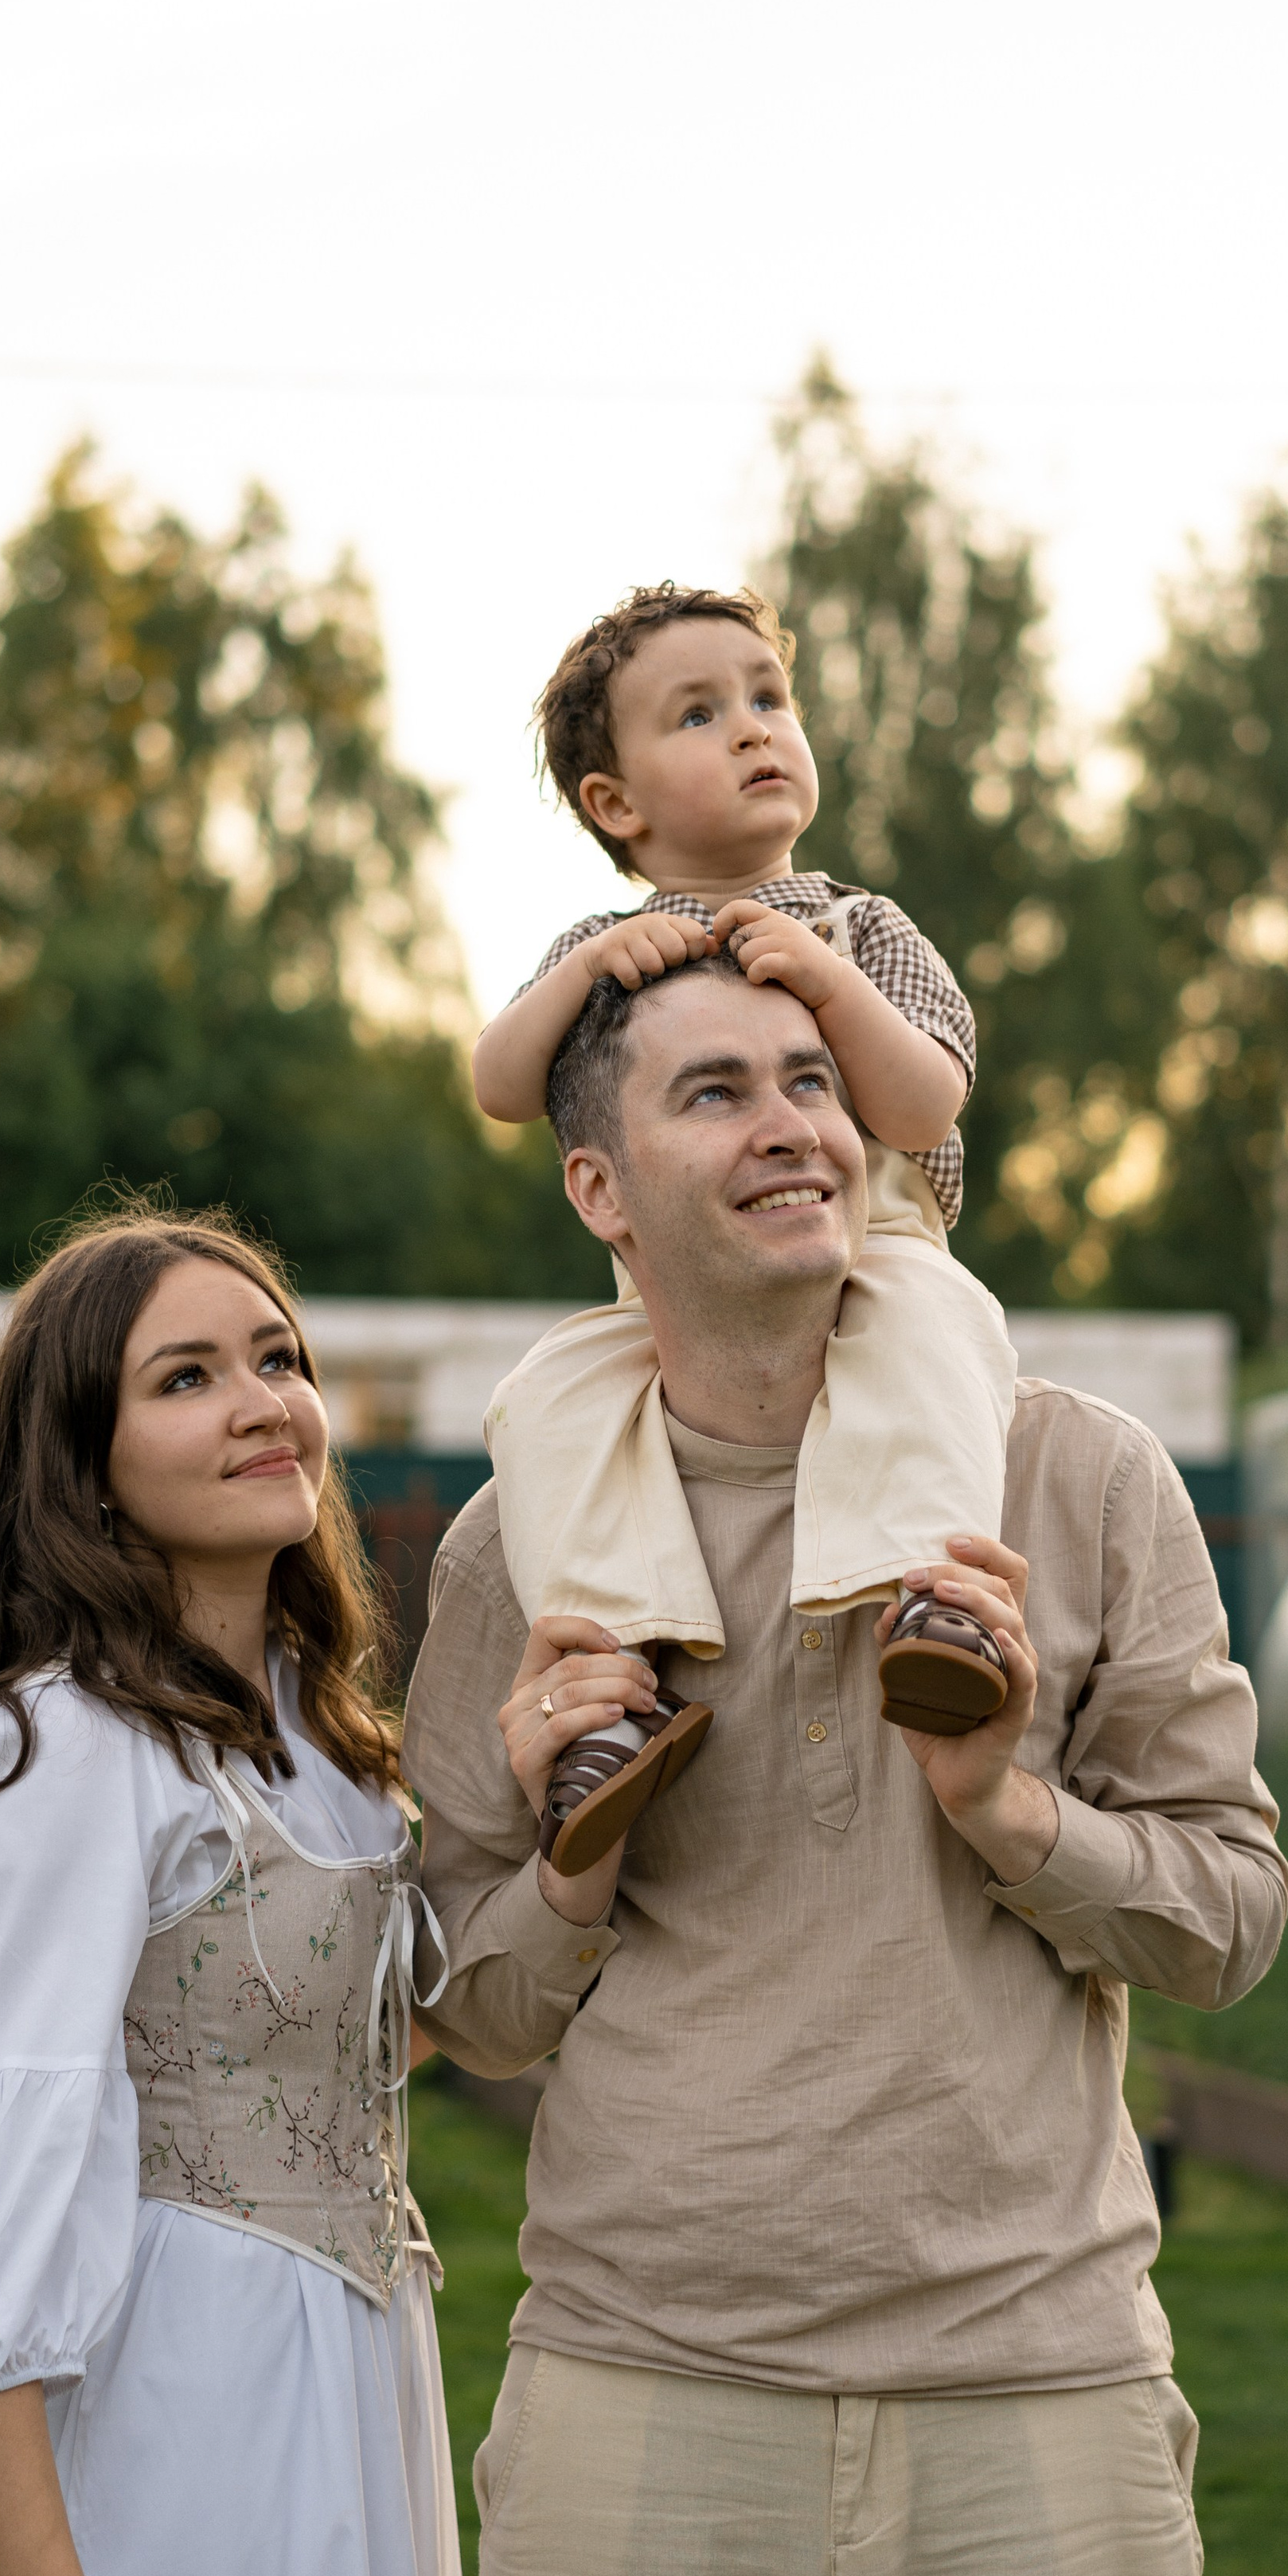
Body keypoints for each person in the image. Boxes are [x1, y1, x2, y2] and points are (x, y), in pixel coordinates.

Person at [404, 960, 1288, 2576]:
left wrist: (1005, 1808)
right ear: (599, 1188)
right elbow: (468, 2012)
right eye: (716, 1094)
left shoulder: (1072, 1479)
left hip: (1030, 2385)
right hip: (642, 2385)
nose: (794, 1123)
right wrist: (570, 1849)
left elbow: (1228, 1916)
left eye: (814, 1081)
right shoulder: (508, 1552)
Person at [0, 1209, 489, 2576]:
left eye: (278, 1359)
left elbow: (330, 2046)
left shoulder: (317, 1732)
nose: (261, 1403)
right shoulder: (58, 1752)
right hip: (163, 2416)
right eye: (187, 1376)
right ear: (86, 1461)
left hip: (347, 2388)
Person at [468, 583, 1021, 1875]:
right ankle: (613, 1689)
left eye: (770, 698)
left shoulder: (860, 928)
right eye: (702, 713)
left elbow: (929, 1098)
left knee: (940, 1340)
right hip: (676, 1308)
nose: (756, 728)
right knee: (548, 1402)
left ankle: (936, 1609)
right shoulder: (605, 949)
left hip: (871, 1258)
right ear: (618, 805)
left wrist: (822, 982)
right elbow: (500, 1086)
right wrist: (572, 983)